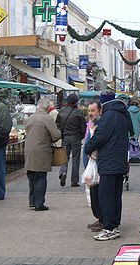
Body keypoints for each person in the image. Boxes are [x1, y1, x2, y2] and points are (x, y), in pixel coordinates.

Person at [84, 90, 131, 241]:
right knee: (116, 196)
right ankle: (114, 224)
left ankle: (109, 227)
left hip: (109, 162)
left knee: (107, 196)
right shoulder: (122, 114)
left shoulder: (109, 116)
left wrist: (87, 147)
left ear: (103, 103)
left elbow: (99, 137)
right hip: (119, 161)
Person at [24, 97, 61, 211]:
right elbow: (56, 135)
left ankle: (32, 201)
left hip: (29, 150)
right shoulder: (47, 118)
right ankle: (39, 203)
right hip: (41, 150)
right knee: (40, 177)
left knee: (32, 176)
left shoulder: (30, 118)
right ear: (47, 107)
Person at [56, 93, 86, 187]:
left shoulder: (61, 111)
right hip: (76, 137)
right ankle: (74, 180)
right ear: (76, 102)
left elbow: (57, 125)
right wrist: (81, 136)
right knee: (75, 159)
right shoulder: (79, 112)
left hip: (65, 137)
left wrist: (61, 134)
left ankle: (63, 172)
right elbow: (83, 127)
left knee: (64, 158)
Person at [84, 101, 103, 233]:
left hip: (98, 162)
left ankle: (102, 219)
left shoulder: (100, 124)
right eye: (89, 111)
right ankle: (99, 218)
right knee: (93, 192)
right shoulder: (90, 124)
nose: (91, 113)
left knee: (98, 193)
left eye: (93, 110)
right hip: (91, 162)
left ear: (100, 110)